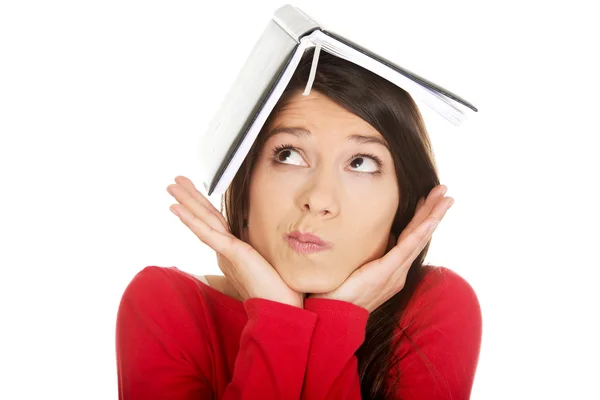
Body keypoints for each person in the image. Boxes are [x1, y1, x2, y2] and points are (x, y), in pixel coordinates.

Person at [115, 48, 482, 399]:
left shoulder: (433, 307)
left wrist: (335, 324)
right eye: (289, 155)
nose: (319, 199)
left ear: (403, 204)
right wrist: (276, 321)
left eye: (360, 163)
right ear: (246, 179)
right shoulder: (167, 306)